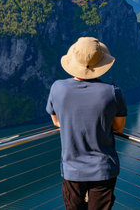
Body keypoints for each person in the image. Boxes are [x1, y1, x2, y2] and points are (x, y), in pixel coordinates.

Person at [46, 37, 127, 210]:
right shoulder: (112, 91)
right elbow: (118, 127)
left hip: (72, 170)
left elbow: (56, 121)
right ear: (100, 63)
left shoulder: (58, 88)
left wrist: (73, 121)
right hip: (103, 169)